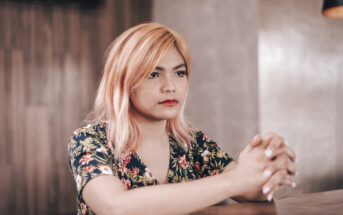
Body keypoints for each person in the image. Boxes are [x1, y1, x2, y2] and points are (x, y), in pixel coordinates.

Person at [68, 22, 296, 215]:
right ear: (124, 81)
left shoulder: (192, 142)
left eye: (179, 73)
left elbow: (250, 192)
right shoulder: (90, 140)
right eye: (153, 74)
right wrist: (234, 180)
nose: (170, 87)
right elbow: (114, 207)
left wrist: (264, 166)